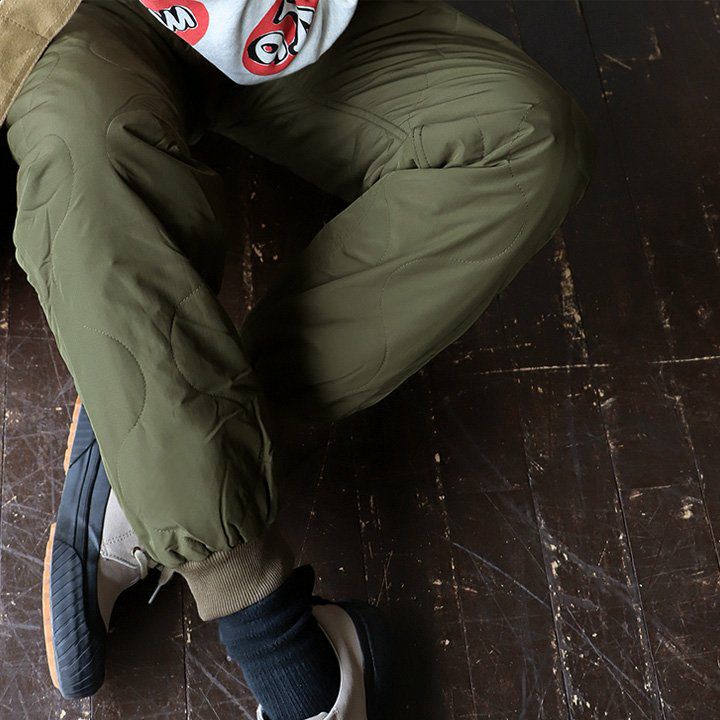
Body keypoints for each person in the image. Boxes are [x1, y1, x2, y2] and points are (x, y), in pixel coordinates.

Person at [3, 0, 596, 717]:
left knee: (526, 139)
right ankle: (282, 655)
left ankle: (155, 456)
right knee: (87, 169)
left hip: (288, 20)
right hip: (71, 20)